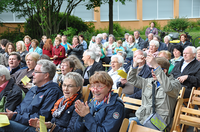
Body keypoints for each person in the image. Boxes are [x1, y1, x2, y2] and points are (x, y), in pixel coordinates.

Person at [0, 59, 63, 132]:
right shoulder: (33, 89)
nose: (32, 74)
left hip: (35, 128)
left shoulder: (53, 92)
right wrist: (13, 114)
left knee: (2, 124)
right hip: (20, 121)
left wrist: (15, 116)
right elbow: (20, 108)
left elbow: (42, 117)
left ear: (46, 75)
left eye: (36, 72)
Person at [127, 56, 181, 128]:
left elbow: (168, 88)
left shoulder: (175, 84)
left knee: (132, 125)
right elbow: (131, 79)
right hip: (144, 118)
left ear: (164, 71)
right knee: (128, 123)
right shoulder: (149, 81)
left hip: (160, 122)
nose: (152, 71)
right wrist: (135, 64)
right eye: (151, 68)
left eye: (155, 69)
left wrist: (155, 64)